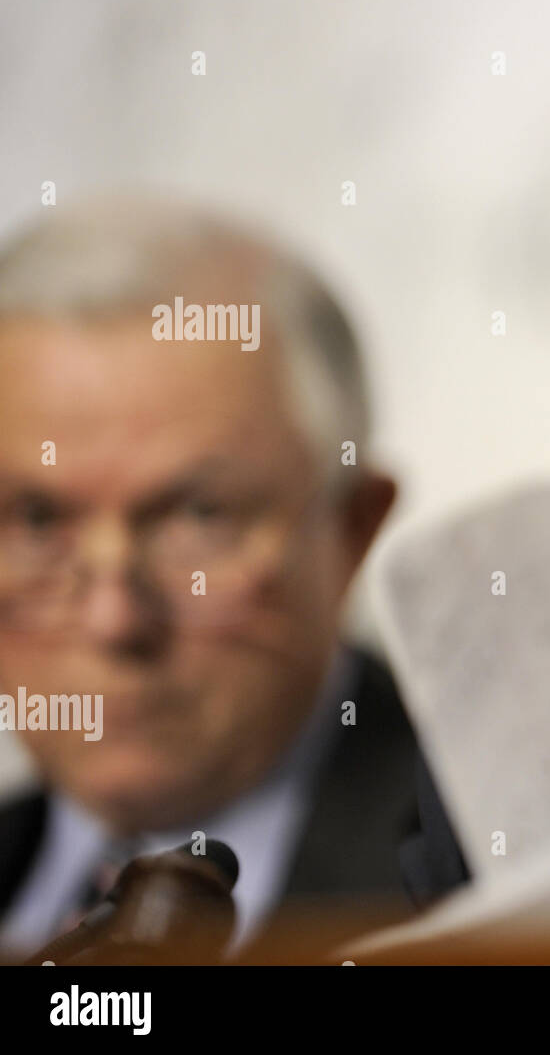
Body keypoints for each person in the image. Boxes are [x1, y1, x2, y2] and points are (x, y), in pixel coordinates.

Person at [0, 196, 467, 960]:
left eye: (201, 515)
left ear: (353, 530)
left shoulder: (512, 883)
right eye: (37, 522)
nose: (115, 619)